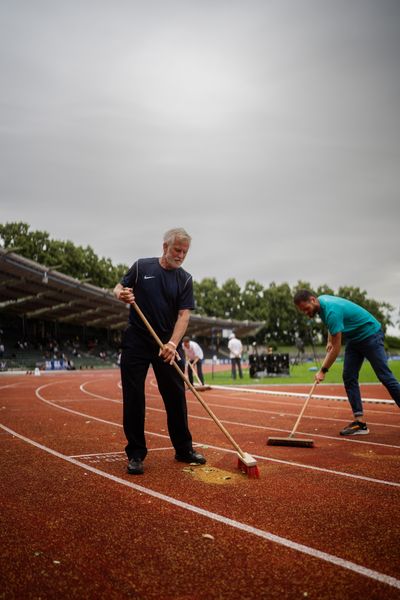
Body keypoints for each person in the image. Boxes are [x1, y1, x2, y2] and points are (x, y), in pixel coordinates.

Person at [113, 227, 206, 475]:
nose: (181, 256)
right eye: (177, 250)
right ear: (165, 247)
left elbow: (184, 315)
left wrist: (173, 344)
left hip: (167, 344)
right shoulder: (142, 267)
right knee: (134, 397)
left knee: (176, 397)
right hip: (137, 341)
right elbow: (118, 288)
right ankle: (135, 453)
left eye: (185, 252)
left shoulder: (185, 279)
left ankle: (183, 449)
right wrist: (121, 294)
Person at [294, 289, 400, 435]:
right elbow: (332, 328)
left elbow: (336, 349)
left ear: (313, 300)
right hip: (355, 339)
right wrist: (329, 340)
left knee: (385, 376)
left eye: (306, 309)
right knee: (349, 376)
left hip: (370, 335)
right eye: (303, 311)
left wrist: (323, 370)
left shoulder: (331, 311)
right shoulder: (322, 303)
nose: (306, 313)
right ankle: (360, 423)